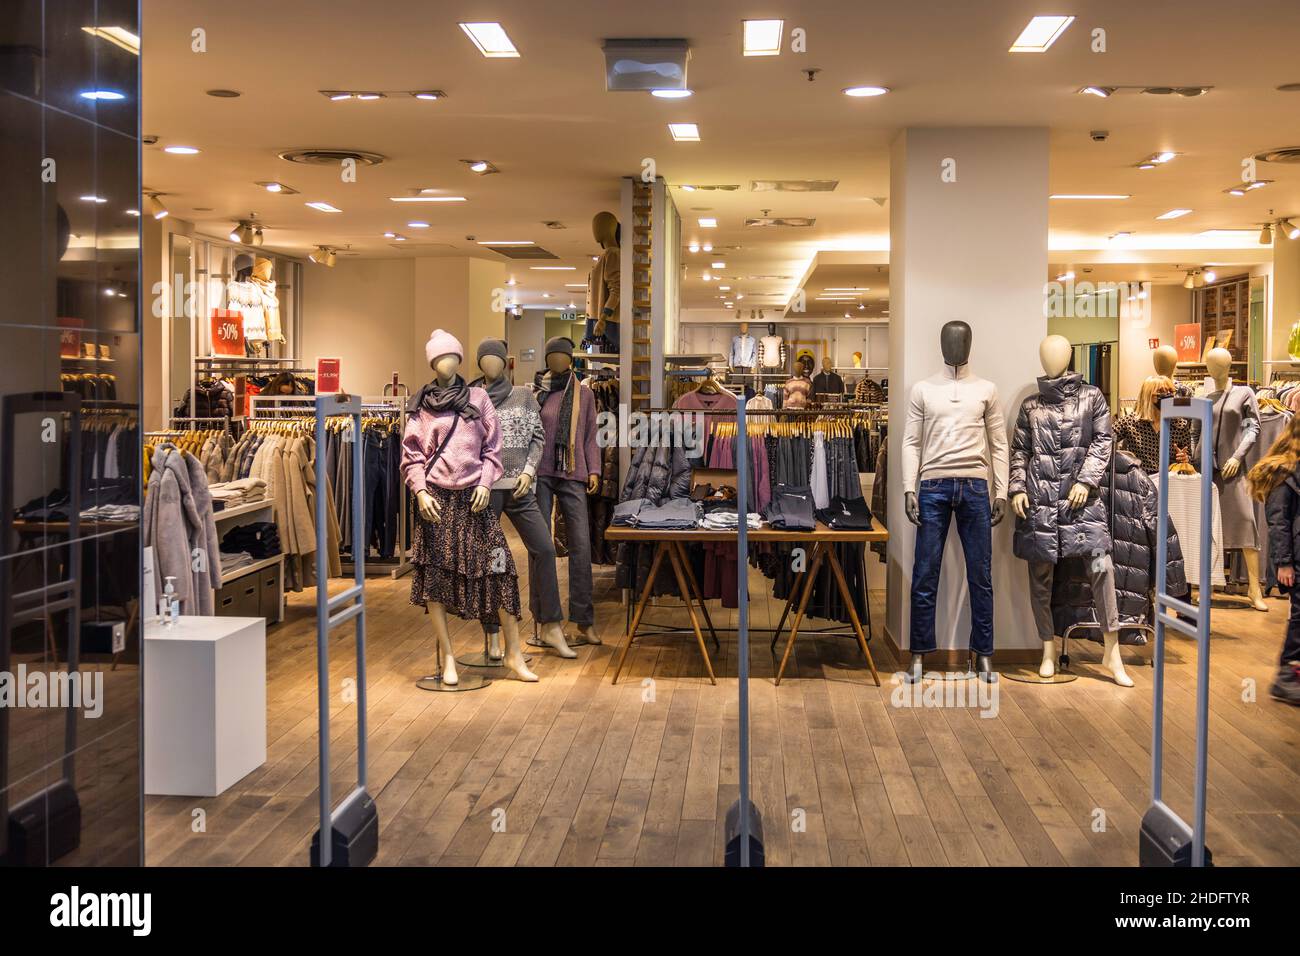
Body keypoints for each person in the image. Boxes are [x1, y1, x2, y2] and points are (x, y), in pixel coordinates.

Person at [1246, 414, 1300, 704]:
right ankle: (1286, 674)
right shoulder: (1284, 471)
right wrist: (1283, 562)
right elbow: (1278, 521)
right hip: (1295, 558)